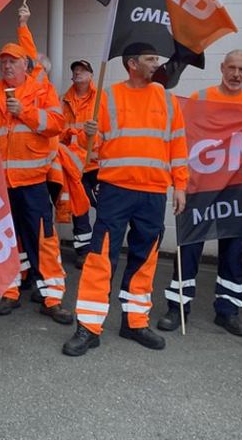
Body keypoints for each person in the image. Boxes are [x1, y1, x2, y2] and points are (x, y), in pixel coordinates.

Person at [63, 44, 188, 356]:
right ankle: (89, 327)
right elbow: (92, 145)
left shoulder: (168, 99)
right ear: (132, 64)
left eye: (156, 58)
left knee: (144, 259)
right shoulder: (108, 97)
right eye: (150, 59)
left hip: (154, 193)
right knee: (101, 257)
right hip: (116, 191)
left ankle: (134, 322)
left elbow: (178, 145)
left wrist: (181, 186)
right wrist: (87, 134)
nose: (156, 63)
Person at [158, 49, 242, 337]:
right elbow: (179, 140)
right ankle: (177, 308)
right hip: (199, 189)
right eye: (232, 67)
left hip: (237, 193)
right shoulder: (199, 99)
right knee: (188, 248)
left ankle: (228, 311)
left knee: (235, 253)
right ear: (222, 68)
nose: (236, 74)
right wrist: (180, 184)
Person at [0, 41, 72, 324]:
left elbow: (56, 124)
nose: (7, 66)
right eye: (3, 61)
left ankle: (52, 298)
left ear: (26, 65)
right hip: (1, 184)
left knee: (43, 241)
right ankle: (9, 292)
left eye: (12, 61)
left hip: (33, 181)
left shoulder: (42, 90)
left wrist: (24, 110)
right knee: (6, 241)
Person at [61, 59, 100, 269]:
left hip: (96, 165)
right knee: (79, 210)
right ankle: (83, 251)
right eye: (75, 70)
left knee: (105, 207)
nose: (78, 73)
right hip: (74, 166)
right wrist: (72, 134)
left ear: (91, 76)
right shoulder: (64, 101)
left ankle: (99, 249)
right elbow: (59, 131)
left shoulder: (100, 98)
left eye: (83, 70)